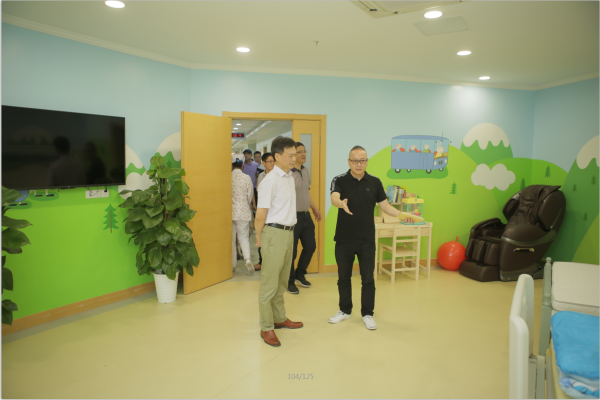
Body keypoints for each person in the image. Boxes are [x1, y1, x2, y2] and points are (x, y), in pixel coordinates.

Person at [328, 145, 409, 331]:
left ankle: (367, 314)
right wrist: (341, 203)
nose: (359, 164)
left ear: (367, 162)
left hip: (367, 240)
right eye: (355, 161)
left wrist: (401, 215)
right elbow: (334, 198)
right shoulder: (339, 179)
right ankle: (345, 310)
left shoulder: (375, 182)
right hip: (344, 239)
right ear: (349, 162)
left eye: (362, 160)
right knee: (343, 277)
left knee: (368, 279)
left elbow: (385, 206)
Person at [255, 136, 303, 347]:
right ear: (277, 156)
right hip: (274, 234)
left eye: (295, 155)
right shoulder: (270, 181)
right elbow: (260, 214)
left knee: (282, 281)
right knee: (269, 284)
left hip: (288, 233)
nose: (294, 158)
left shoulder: (290, 177)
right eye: (290, 155)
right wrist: (259, 237)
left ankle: (279, 317)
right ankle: (266, 327)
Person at [287, 142, 321, 294]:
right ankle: (289, 281)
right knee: (292, 252)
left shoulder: (305, 170)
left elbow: (306, 192)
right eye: (299, 152)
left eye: (304, 151)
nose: (303, 154)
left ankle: (300, 274)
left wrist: (314, 208)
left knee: (310, 247)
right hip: (293, 217)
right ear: (293, 155)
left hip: (306, 215)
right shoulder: (288, 172)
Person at [231, 153, 256, 273]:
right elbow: (250, 196)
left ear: (231, 165)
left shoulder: (228, 177)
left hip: (230, 212)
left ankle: (232, 265)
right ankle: (247, 259)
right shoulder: (246, 178)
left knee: (231, 240)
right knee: (243, 237)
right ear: (242, 165)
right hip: (243, 212)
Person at [255, 152, 275, 272]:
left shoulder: (278, 176)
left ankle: (270, 263)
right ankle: (261, 261)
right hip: (263, 211)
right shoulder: (261, 176)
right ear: (263, 163)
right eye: (269, 161)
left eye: (273, 161)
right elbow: (260, 194)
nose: (272, 163)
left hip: (274, 212)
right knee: (261, 237)